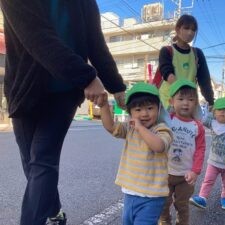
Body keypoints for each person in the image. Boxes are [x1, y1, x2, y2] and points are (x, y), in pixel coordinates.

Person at [0, 1, 126, 225]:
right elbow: (37, 37)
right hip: (24, 90)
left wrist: (116, 86)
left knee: (43, 159)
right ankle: (55, 210)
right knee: (31, 162)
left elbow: (95, 43)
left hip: (64, 92)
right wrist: (87, 76)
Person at [100, 82, 173, 225]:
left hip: (152, 196)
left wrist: (139, 127)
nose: (144, 113)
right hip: (130, 193)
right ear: (130, 113)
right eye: (138, 109)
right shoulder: (130, 129)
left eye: (150, 108)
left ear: (159, 109)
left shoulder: (162, 129)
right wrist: (103, 106)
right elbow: (110, 127)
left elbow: (159, 146)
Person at [159, 79, 206, 225]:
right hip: (164, 173)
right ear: (171, 101)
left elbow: (200, 150)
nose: (186, 103)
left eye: (191, 99)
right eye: (181, 99)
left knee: (182, 205)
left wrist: (195, 171)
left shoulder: (197, 126)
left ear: (196, 103)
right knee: (162, 203)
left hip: (186, 176)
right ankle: (164, 221)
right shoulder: (167, 120)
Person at [189, 97, 225, 210]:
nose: (222, 112)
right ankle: (202, 198)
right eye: (219, 109)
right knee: (207, 180)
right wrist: (209, 110)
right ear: (214, 112)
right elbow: (202, 120)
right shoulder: (213, 123)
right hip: (213, 161)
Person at [158, 14, 214, 109]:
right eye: (186, 28)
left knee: (197, 123)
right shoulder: (166, 51)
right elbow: (167, 72)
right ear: (178, 29)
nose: (190, 33)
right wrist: (182, 91)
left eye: (193, 30)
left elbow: (204, 80)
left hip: (189, 101)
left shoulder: (197, 54)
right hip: (168, 100)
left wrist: (211, 101)